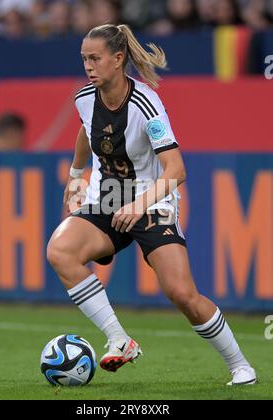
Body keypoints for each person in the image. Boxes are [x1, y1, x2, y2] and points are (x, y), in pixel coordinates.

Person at [47, 23, 257, 385]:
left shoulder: (145, 103)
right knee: (60, 251)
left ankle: (241, 365)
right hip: (106, 199)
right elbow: (85, 128)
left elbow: (176, 169)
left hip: (152, 199)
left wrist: (139, 204)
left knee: (182, 294)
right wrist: (76, 175)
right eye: (84, 59)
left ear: (118, 59)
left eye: (95, 59)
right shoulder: (84, 97)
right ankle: (119, 339)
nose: (88, 66)